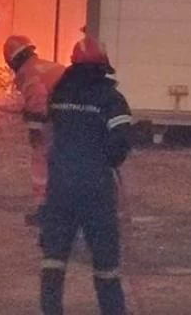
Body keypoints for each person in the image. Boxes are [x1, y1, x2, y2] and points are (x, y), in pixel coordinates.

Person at [40, 35, 133, 315]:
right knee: (105, 260)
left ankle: (51, 310)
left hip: (60, 186)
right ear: (103, 64)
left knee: (54, 257)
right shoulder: (111, 99)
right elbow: (120, 142)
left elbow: (51, 132)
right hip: (96, 188)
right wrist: (107, 161)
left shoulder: (59, 93)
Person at [3, 35, 66, 227]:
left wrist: (34, 129)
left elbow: (37, 99)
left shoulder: (28, 72)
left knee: (41, 159)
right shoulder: (47, 66)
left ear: (13, 60)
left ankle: (45, 209)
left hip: (59, 117)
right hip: (75, 115)